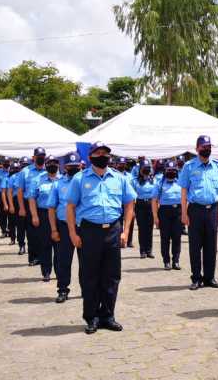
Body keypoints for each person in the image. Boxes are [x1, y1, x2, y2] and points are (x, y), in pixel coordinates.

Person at [66, 141, 136, 334]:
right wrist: (72, 233)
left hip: (113, 230)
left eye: (106, 153)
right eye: (99, 153)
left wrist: (126, 231)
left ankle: (108, 315)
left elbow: (130, 203)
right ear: (90, 157)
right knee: (89, 276)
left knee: (112, 276)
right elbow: (70, 207)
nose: (103, 156)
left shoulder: (119, 178)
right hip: (89, 231)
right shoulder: (79, 179)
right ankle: (92, 317)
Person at [179, 135, 218, 290]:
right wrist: (184, 213)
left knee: (211, 245)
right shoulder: (189, 166)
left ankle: (209, 277)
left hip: (212, 209)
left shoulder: (217, 166)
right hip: (195, 210)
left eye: (208, 146)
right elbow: (184, 190)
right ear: (197, 148)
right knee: (195, 245)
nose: (206, 149)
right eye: (203, 147)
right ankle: (196, 278)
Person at [47, 153, 82, 302]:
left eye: (76, 166)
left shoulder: (85, 181)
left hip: (83, 227)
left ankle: (86, 289)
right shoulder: (58, 184)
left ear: (80, 166)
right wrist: (54, 230)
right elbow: (51, 208)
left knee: (86, 261)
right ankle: (62, 290)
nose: (73, 169)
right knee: (63, 260)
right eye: (70, 166)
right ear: (65, 167)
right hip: (64, 226)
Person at [28, 155, 61, 282]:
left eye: (55, 163)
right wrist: (34, 215)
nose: (52, 165)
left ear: (58, 165)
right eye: (50, 163)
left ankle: (59, 272)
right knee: (45, 244)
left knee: (59, 246)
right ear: (46, 165)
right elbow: (31, 198)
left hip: (59, 215)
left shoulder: (63, 179)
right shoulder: (38, 180)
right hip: (43, 214)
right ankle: (46, 271)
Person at [152, 161, 183, 270]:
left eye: (173, 170)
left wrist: (185, 213)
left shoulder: (180, 181)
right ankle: (166, 261)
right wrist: (155, 217)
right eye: (169, 170)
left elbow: (186, 198)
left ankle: (176, 261)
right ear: (165, 171)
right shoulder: (159, 183)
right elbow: (154, 200)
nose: (171, 172)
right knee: (165, 238)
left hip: (178, 211)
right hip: (164, 212)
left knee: (177, 237)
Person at [19, 147, 47, 266]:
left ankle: (43, 256)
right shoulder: (25, 171)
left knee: (44, 232)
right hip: (29, 203)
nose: (41, 158)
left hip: (44, 203)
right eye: (38, 156)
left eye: (42, 156)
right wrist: (21, 208)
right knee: (32, 232)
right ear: (33, 157)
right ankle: (33, 257)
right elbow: (20, 191)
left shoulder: (49, 169)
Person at [132, 159, 157, 259]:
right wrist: (133, 209)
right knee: (142, 228)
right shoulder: (135, 181)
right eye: (144, 168)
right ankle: (142, 251)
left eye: (148, 168)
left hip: (150, 204)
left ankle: (149, 250)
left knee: (150, 228)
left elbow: (156, 195)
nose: (146, 170)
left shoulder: (153, 180)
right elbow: (132, 196)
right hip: (140, 205)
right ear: (140, 169)